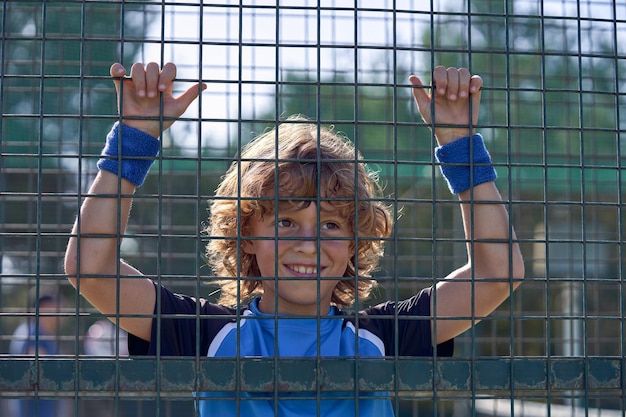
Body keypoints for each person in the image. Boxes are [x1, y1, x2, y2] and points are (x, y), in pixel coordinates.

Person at [64, 62, 524, 416]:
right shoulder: (209, 334)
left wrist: (460, 143)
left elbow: (497, 273)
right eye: (285, 223)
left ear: (354, 243)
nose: (308, 244)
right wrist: (133, 139)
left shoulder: (382, 337)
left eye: (330, 225)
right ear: (247, 237)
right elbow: (91, 269)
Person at [8, 287, 64, 417]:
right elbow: (42, 370)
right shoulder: (32, 334)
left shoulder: (40, 333)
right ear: (44, 307)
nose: (63, 309)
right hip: (35, 410)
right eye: (58, 304)